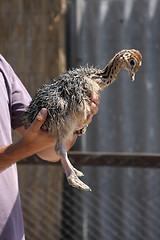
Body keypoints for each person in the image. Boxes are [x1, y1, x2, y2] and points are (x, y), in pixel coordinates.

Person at [0, 54, 99, 240]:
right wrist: (25, 147)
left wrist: (73, 125)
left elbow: (47, 149)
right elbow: (35, 143)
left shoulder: (1, 67)